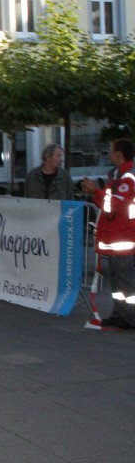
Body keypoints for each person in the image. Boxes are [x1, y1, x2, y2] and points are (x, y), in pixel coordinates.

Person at [81, 137, 135, 329]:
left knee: (127, 285)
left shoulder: (127, 178)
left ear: (119, 154)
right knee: (119, 286)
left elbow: (118, 205)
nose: (109, 154)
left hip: (124, 239)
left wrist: (95, 192)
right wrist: (94, 193)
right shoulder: (118, 176)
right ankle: (120, 315)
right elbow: (107, 206)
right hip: (117, 239)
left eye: (111, 150)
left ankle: (130, 318)